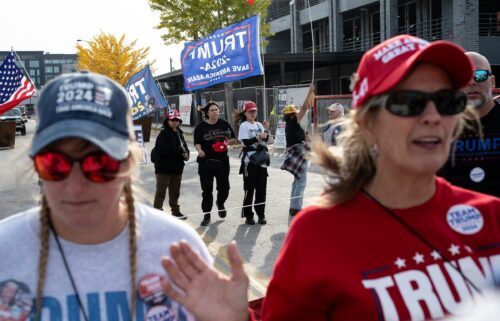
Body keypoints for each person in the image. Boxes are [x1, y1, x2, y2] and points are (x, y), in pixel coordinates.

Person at [157, 35, 500, 321]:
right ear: (368, 122)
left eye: (445, 101)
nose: (432, 117)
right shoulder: (318, 233)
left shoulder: (491, 216)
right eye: (409, 102)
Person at [0, 72, 212, 321]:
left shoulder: (177, 250)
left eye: (99, 163)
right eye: (55, 164)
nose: (76, 187)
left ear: (128, 163)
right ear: (36, 166)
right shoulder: (5, 251)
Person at [438, 52, 500, 197]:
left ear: (492, 82)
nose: (472, 82)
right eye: (464, 77)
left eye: (480, 75)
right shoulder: (438, 129)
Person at [194, 101, 237, 226]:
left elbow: (234, 139)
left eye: (217, 109)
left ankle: (220, 202)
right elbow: (197, 142)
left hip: (222, 162)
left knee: (224, 187)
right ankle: (206, 215)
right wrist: (200, 151)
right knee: (207, 190)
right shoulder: (201, 127)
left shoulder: (224, 124)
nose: (215, 112)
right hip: (206, 162)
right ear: (207, 113)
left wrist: (226, 143)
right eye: (212, 110)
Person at [234, 101, 270, 225]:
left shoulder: (259, 124)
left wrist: (266, 129)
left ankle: (261, 214)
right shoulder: (244, 125)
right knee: (249, 189)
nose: (252, 113)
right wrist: (258, 137)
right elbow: (245, 142)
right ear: (245, 113)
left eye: (254, 111)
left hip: (262, 161)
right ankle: (249, 215)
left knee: (261, 189)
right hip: (250, 161)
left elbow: (266, 140)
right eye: (250, 111)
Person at [280, 85, 314, 217]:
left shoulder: (292, 126)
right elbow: (305, 108)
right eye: (296, 112)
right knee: (301, 181)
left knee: (297, 180)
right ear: (292, 115)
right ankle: (296, 208)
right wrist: (310, 92)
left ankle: (293, 206)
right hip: (299, 153)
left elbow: (303, 138)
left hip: (296, 152)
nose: (298, 114)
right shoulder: (293, 122)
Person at [152, 109, 190, 219]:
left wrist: (186, 154)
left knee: (175, 192)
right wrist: (179, 151)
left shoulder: (179, 133)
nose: (174, 122)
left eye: (177, 120)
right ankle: (157, 214)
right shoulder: (163, 133)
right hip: (163, 168)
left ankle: (175, 211)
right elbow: (163, 149)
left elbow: (185, 148)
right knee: (161, 193)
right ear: (167, 121)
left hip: (177, 168)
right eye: (172, 120)